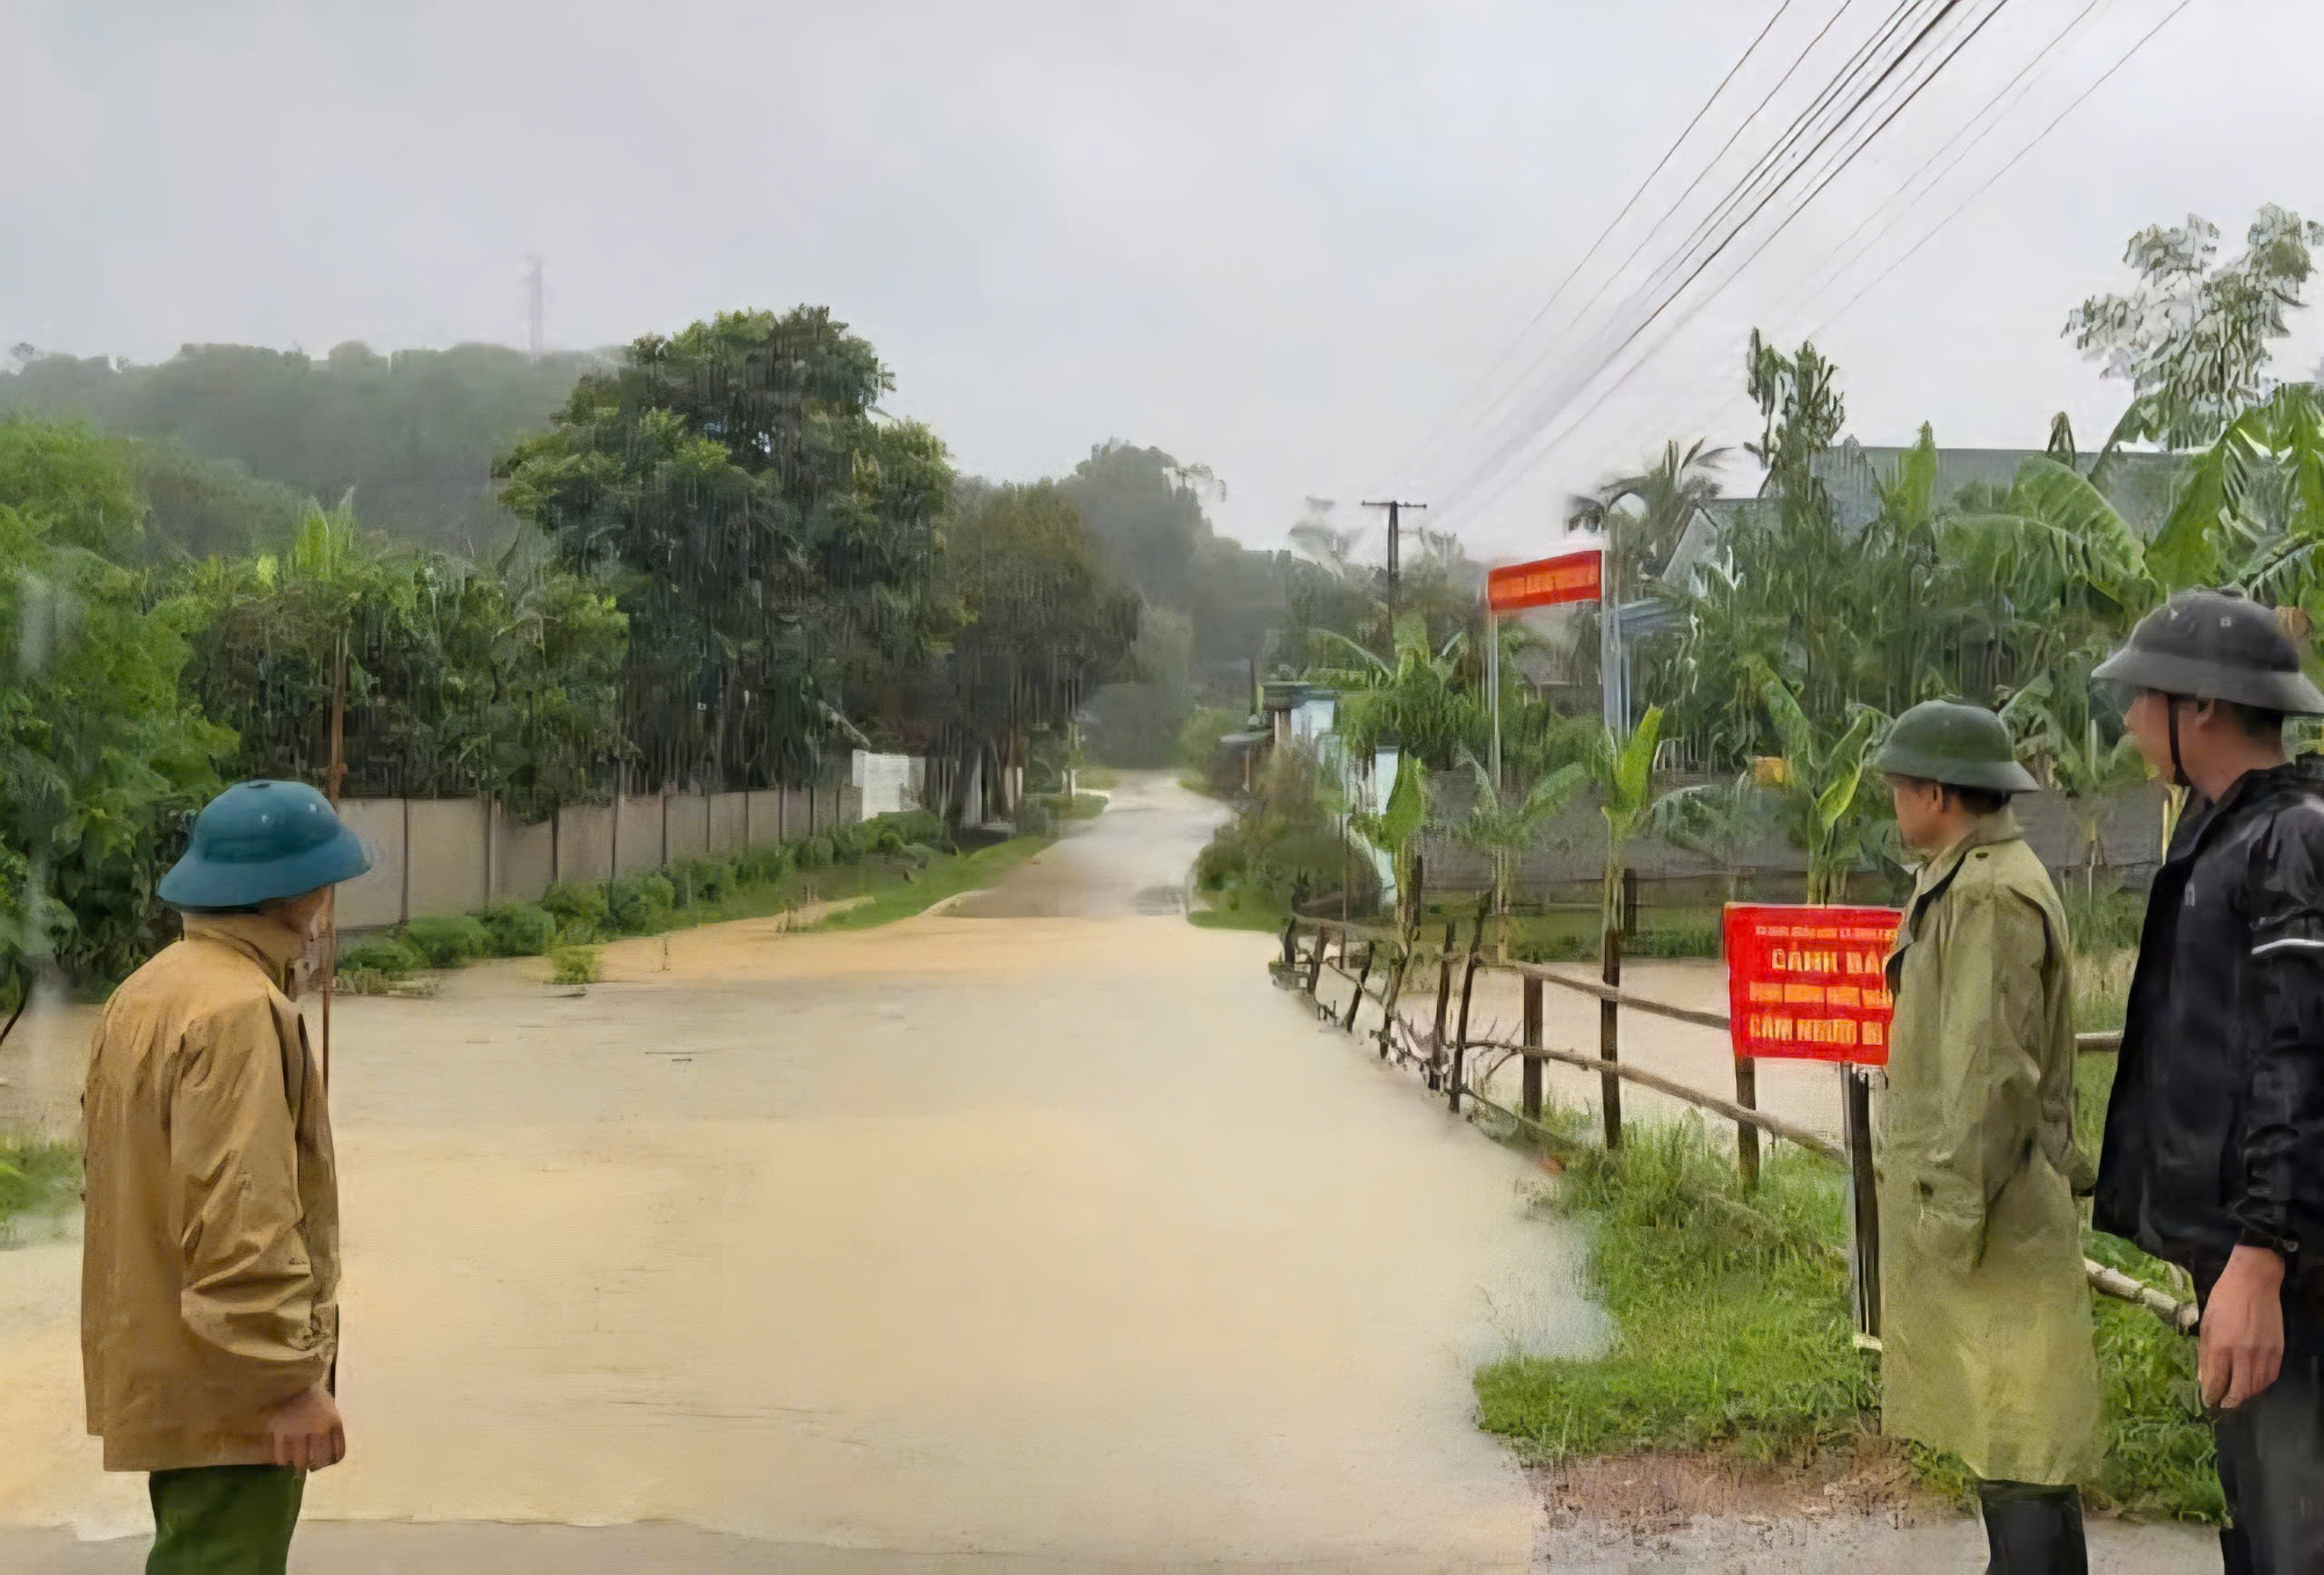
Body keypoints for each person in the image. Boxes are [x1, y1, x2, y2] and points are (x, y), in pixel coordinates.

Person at [2090, 587, 2324, 1574]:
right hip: (2235, 1255)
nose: (2132, 721)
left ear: (2203, 710)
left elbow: (2298, 1058)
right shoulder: (2219, 832)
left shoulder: (2290, 840)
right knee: (2256, 1515)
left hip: (2286, 1271)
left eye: (2146, 699)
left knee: (2292, 1529)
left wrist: (2262, 1256)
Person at [82, 779, 370, 1574]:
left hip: (172, 1360)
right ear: (302, 895)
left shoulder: (145, 992)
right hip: (232, 1389)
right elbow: (241, 1216)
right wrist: (283, 1381)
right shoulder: (241, 1011)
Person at [1872, 700, 2100, 1574]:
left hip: (1994, 1216)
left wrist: (1949, 1226)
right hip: (1982, 1212)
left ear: (1937, 792)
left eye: (1900, 785)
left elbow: (1988, 1081)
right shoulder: (1960, 876)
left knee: (2022, 1450)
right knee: (2004, 1443)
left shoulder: (1993, 894)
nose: (1895, 800)